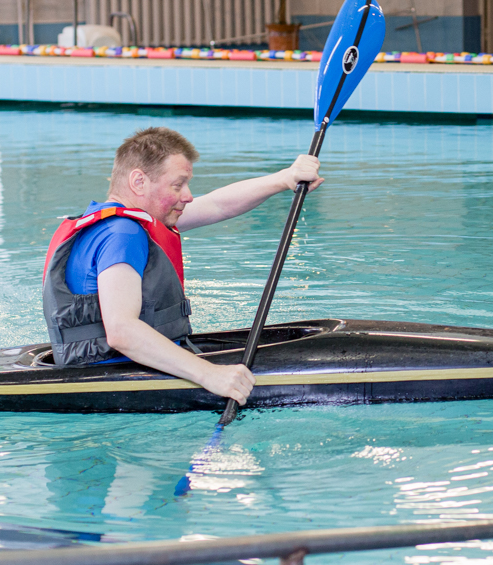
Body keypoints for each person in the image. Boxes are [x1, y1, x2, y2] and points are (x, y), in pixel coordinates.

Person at [42, 126, 322, 405]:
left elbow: (217, 205)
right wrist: (209, 375)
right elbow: (122, 331)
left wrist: (285, 178)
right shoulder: (123, 234)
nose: (187, 195)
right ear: (139, 182)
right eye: (177, 185)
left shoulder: (115, 223)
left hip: (95, 361)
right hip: (111, 372)